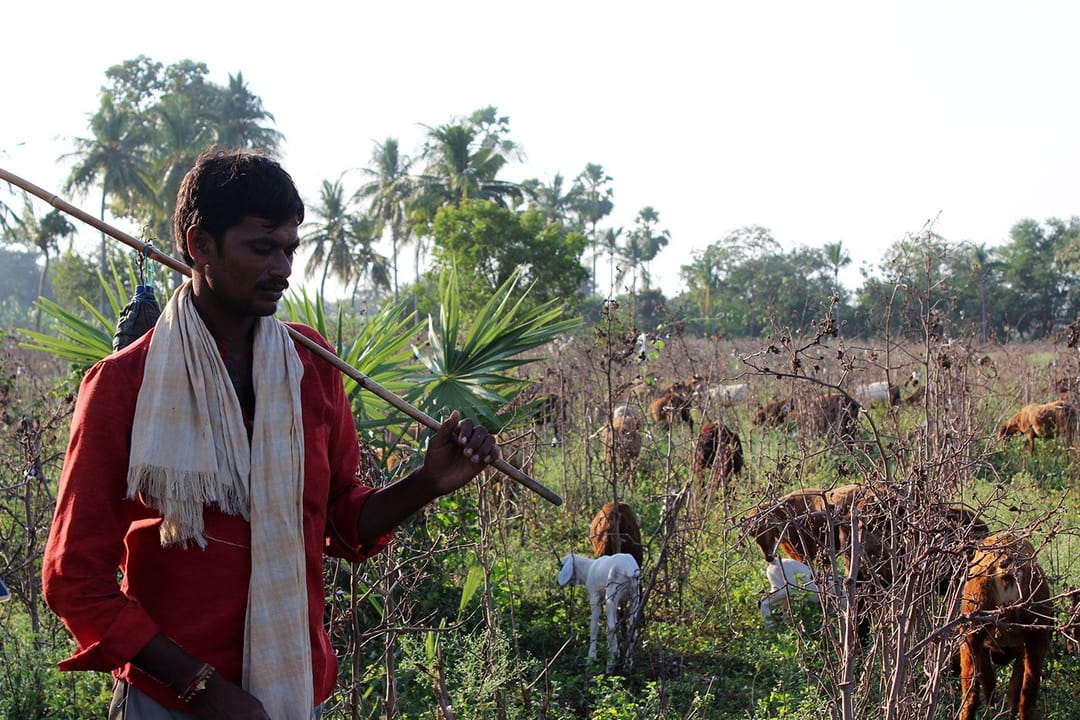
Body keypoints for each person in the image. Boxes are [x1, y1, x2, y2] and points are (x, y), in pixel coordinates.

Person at [41, 148, 500, 720]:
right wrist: (204, 689)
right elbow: (74, 579)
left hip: (294, 686)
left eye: (289, 249)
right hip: (170, 699)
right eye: (260, 248)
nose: (281, 268)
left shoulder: (309, 366)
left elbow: (336, 517)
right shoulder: (123, 385)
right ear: (198, 245)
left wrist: (427, 483)